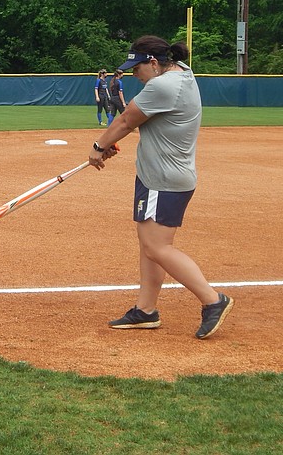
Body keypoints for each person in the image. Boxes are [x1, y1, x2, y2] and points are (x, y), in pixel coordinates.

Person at [87, 35, 233, 340]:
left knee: (157, 247)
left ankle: (212, 300)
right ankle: (146, 310)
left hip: (163, 180)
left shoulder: (163, 86)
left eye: (137, 68)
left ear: (153, 63)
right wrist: (113, 142)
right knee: (149, 246)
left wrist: (100, 146)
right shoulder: (181, 73)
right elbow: (145, 122)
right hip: (162, 176)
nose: (134, 75)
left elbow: (126, 120)